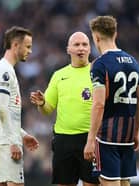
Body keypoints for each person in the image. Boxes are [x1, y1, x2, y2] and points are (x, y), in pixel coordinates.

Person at [30, 31, 99, 186]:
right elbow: (47, 109)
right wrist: (42, 103)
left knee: (92, 184)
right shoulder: (59, 75)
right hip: (64, 140)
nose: (81, 48)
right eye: (76, 44)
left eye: (84, 44)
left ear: (89, 48)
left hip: (90, 138)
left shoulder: (97, 72)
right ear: (68, 49)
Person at [83, 15, 139, 186]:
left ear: (96, 38)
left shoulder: (100, 65)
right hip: (128, 135)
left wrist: (90, 140)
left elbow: (99, 103)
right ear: (115, 34)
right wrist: (137, 132)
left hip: (107, 138)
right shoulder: (134, 62)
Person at [0, 26, 39, 186]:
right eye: (28, 46)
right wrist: (13, 141)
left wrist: (22, 135)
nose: (30, 51)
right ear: (16, 45)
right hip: (5, 141)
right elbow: (2, 109)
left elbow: (3, 111)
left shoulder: (2, 69)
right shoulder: (5, 71)